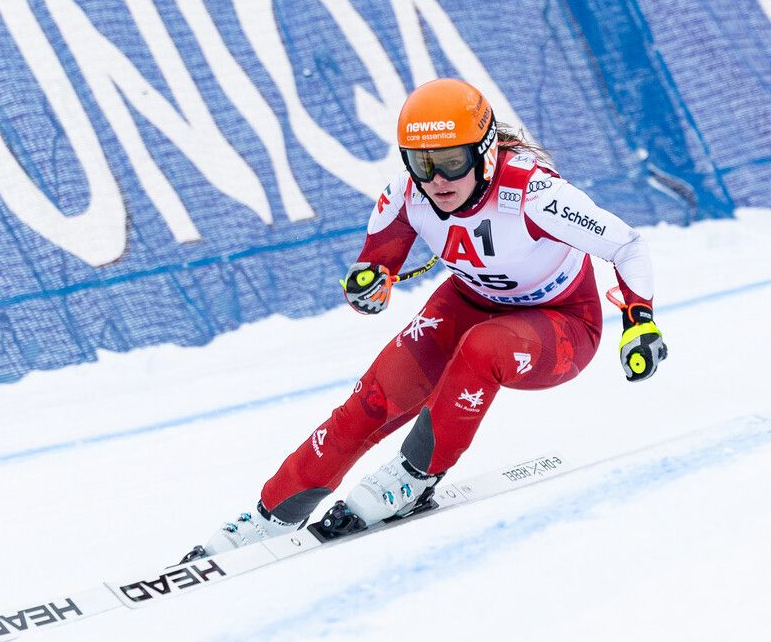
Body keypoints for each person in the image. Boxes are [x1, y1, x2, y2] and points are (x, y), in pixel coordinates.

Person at [186, 78, 668, 558]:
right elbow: (374, 266)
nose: (438, 180)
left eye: (453, 162)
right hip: (469, 301)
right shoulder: (408, 192)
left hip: (561, 322)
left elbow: (626, 245)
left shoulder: (534, 193)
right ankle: (271, 514)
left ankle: (414, 476)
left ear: (485, 152)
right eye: (423, 163)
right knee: (375, 397)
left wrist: (640, 322)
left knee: (484, 346)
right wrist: (370, 286)